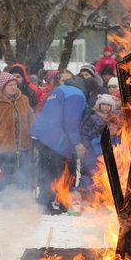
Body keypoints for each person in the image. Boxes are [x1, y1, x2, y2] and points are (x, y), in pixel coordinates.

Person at [30, 77, 86, 214]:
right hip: (57, 140)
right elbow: (70, 121)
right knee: (63, 171)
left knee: (46, 170)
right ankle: (59, 203)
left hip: (42, 136)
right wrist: (77, 143)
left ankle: (44, 202)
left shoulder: (57, 91)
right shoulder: (76, 94)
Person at [0, 72, 34, 201]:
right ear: (3, 87)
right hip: (4, 146)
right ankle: (6, 200)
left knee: (23, 172)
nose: (13, 87)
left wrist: (34, 134)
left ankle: (22, 198)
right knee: (6, 173)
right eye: (10, 85)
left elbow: (31, 117)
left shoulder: (23, 99)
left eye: (14, 84)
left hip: (23, 145)